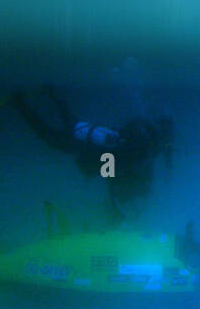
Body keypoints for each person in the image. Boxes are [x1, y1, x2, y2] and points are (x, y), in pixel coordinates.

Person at [11, 85, 173, 220]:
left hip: (94, 134)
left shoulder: (139, 145)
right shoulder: (138, 153)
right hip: (84, 145)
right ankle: (19, 103)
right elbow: (109, 172)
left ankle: (50, 94)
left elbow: (110, 166)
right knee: (46, 133)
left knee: (70, 121)